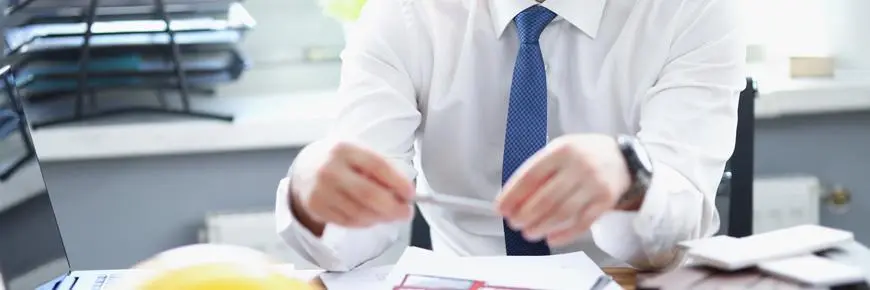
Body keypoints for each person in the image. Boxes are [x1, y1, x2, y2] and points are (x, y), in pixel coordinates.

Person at [275, 0, 744, 271]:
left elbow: (677, 236)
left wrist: (628, 175)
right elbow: (348, 236)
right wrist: (312, 193)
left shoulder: (693, 9)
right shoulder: (404, 11)